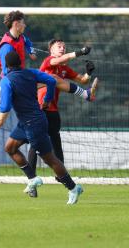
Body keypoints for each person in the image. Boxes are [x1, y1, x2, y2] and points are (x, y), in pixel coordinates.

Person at [0, 51, 84, 205]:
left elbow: (4, 107)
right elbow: (51, 81)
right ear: (20, 63)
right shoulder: (31, 73)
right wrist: (47, 99)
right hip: (27, 122)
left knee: (50, 160)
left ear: (6, 66)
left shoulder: (7, 81)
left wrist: (1, 105)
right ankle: (33, 178)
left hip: (34, 124)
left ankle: (73, 188)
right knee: (10, 147)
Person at [26, 39, 96, 197]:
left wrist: (89, 73)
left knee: (56, 143)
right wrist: (79, 52)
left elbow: (82, 80)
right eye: (59, 46)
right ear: (51, 50)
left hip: (53, 111)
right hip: (40, 109)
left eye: (64, 46)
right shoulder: (48, 62)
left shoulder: (64, 69)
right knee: (34, 145)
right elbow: (59, 60)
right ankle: (31, 182)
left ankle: (61, 176)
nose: (62, 48)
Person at [0, 10, 97, 102]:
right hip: (14, 82)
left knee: (52, 79)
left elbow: (27, 42)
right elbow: (6, 72)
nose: (25, 25)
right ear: (16, 24)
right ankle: (46, 101)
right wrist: (80, 52)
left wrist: (31, 52)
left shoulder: (21, 37)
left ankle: (81, 95)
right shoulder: (7, 47)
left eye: (64, 47)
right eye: (23, 23)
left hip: (21, 76)